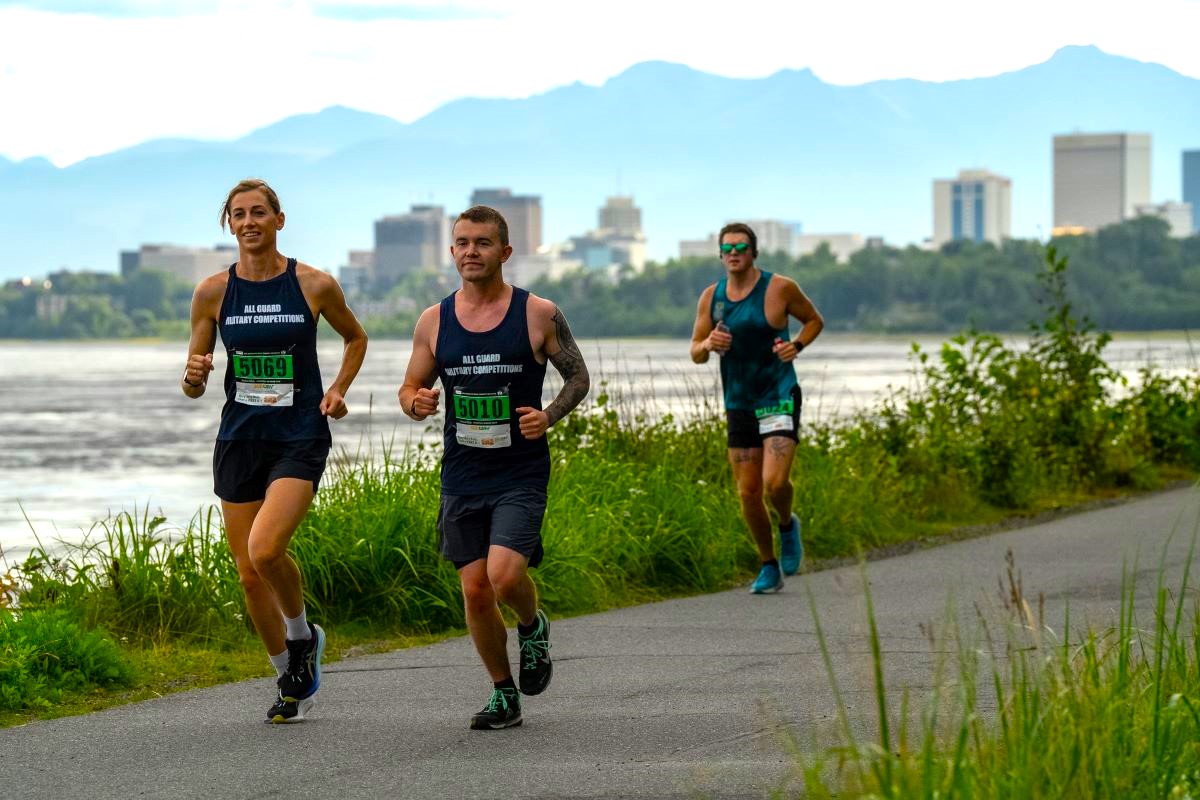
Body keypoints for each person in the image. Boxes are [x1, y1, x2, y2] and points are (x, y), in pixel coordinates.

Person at [182, 178, 367, 723]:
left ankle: (301, 635)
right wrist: (192, 377)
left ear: (278, 220)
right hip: (240, 437)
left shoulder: (312, 284)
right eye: (238, 215)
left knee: (265, 551)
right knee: (246, 573)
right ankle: (289, 678)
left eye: (258, 212)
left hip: (298, 436)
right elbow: (194, 379)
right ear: (230, 226)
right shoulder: (213, 293)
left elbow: (355, 338)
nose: (249, 222)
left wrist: (338, 390)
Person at [398, 205, 590, 730]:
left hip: (520, 473)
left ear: (505, 252)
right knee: (475, 590)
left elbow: (578, 377)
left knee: (504, 578)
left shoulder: (538, 313)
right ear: (451, 250)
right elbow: (410, 386)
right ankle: (504, 693)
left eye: (482, 243)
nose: (470, 252)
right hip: (462, 474)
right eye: (461, 243)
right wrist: (415, 401)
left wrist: (548, 416)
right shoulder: (433, 321)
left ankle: (532, 624)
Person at [690, 222, 823, 593]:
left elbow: (814, 320)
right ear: (720, 254)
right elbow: (696, 352)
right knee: (748, 492)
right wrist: (709, 344)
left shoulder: (780, 288)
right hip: (739, 402)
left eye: (741, 247)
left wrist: (796, 346)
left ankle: (786, 524)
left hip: (778, 393)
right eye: (727, 247)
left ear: (753, 252)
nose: (734, 253)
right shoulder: (711, 298)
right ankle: (768, 564)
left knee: (774, 482)